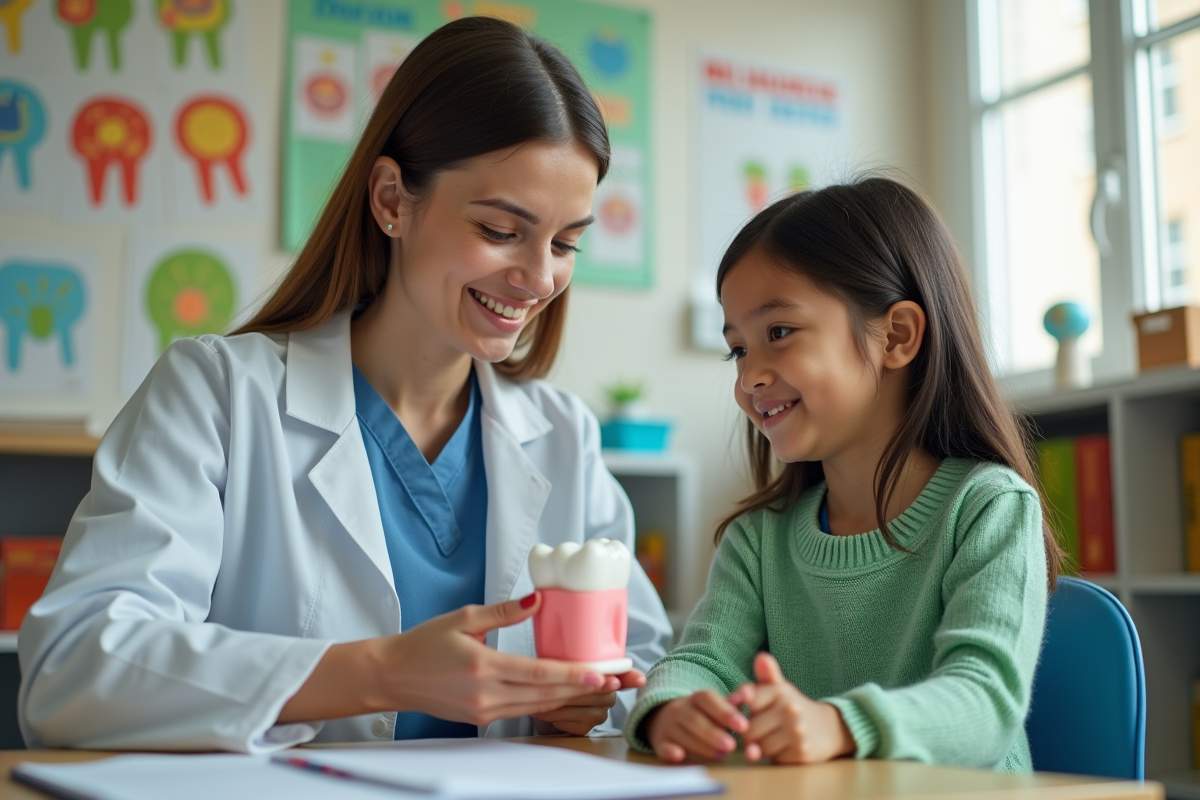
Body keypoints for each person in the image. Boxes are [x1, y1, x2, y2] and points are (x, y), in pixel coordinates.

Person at [18, 16, 671, 752]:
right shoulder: (218, 395)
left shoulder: (563, 436)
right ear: (393, 200)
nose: (540, 276)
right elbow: (73, 669)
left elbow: (643, 667)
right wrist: (380, 673)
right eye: (499, 230)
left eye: (565, 242)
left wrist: (589, 705)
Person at [625, 177, 1061, 771]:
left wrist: (840, 724)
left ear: (897, 336)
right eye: (738, 349)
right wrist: (672, 708)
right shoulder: (758, 540)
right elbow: (700, 660)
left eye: (778, 333)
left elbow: (984, 704)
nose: (749, 376)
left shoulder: (988, 508)